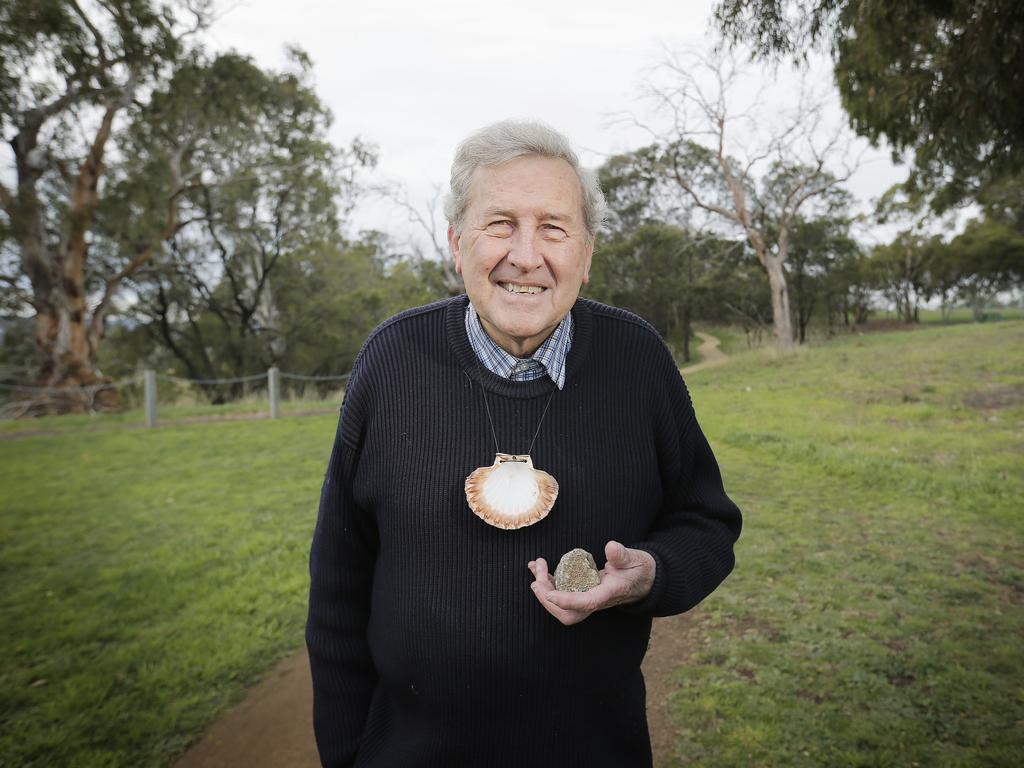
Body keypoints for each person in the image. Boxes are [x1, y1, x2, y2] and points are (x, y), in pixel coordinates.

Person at [306, 120, 742, 768]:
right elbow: (338, 586)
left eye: (554, 228)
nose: (527, 255)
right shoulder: (392, 361)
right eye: (501, 224)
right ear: (457, 243)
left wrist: (648, 574)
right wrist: (346, 755)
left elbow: (707, 523)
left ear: (587, 254)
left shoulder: (638, 363)